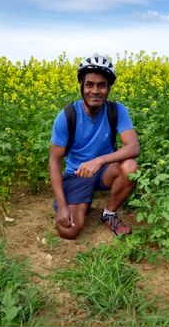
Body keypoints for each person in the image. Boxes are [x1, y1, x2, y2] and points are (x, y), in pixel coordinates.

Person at [49, 53, 140, 239]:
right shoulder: (67, 115)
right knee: (70, 230)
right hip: (77, 174)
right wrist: (63, 207)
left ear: (109, 88)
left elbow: (133, 147)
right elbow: (55, 162)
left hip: (105, 171)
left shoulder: (117, 110)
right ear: (82, 86)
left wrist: (99, 161)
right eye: (90, 84)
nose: (95, 91)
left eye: (102, 85)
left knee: (131, 167)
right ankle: (80, 202)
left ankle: (109, 214)